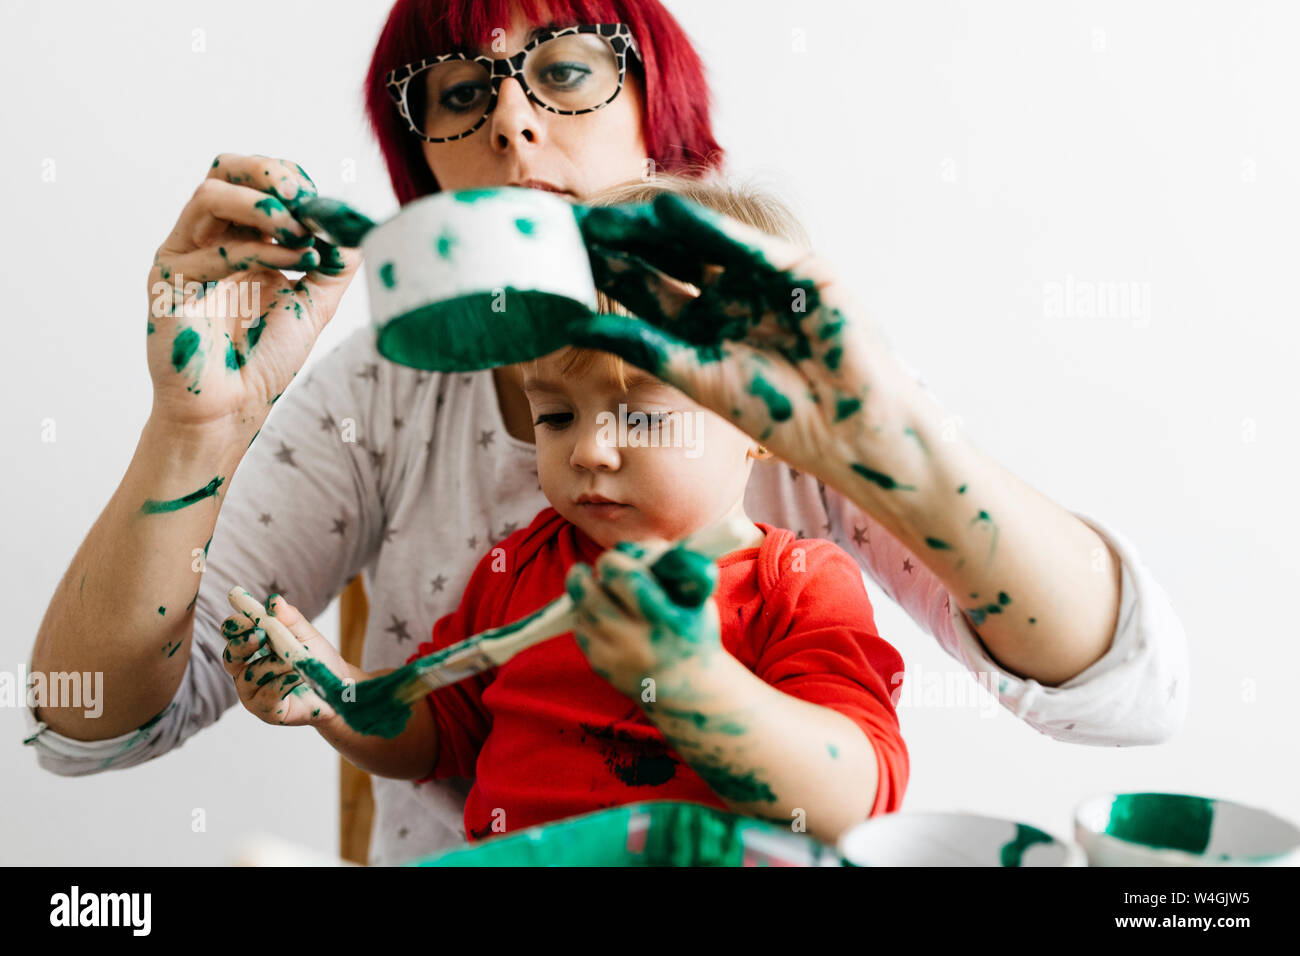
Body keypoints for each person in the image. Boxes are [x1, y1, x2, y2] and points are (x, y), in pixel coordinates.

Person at [26, 0, 1187, 866]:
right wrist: (196, 428)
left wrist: (882, 437)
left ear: (657, 113)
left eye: (567, 70)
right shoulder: (394, 412)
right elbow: (86, 725)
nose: (516, 129)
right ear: (421, 163)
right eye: (461, 93)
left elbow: (1125, 692)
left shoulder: (781, 364)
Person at [223, 182, 908, 845]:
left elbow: (857, 797)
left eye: (639, 414)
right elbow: (443, 728)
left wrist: (696, 683)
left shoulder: (795, 587)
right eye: (553, 415)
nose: (589, 450)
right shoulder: (524, 564)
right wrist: (342, 699)